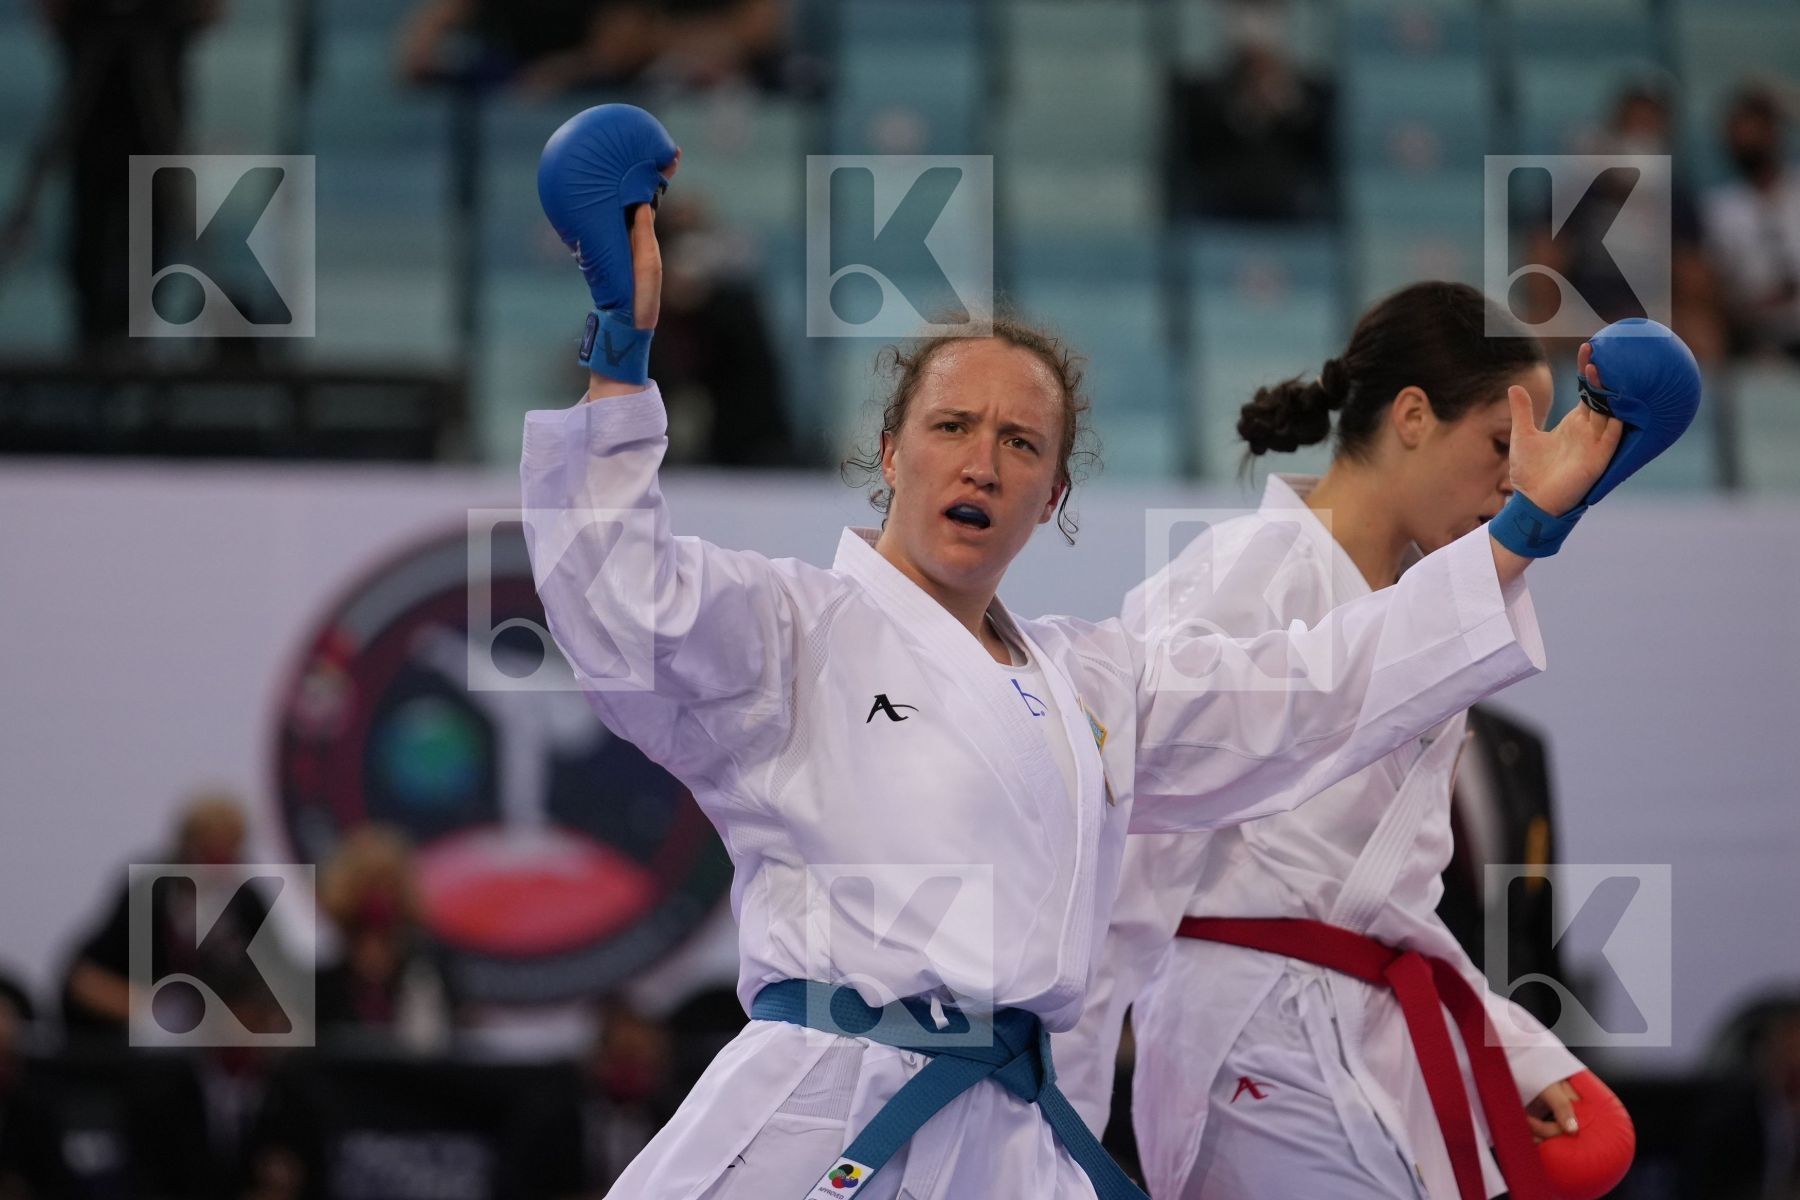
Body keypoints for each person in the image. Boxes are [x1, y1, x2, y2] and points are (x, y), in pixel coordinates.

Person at [525, 109, 1637, 1199]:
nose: (983, 463)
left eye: (1021, 444)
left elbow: (1320, 690)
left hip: (1012, 1135)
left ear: (1053, 495)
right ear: (890, 452)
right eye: (952, 427)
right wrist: (621, 356)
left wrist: (1521, 533)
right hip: (831, 1104)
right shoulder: (793, 630)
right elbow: (622, 601)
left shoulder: (1094, 684)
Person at [1054, 283, 1623, 1200]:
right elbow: (1126, 840)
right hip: (1245, 1029)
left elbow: (1387, 898)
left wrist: (1509, 1047)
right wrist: (1064, 1108)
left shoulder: (1407, 606)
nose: (1516, 481)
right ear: (1412, 417)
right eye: (1500, 445)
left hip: (1364, 1025)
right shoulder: (1242, 576)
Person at [1702, 85, 1800, 362]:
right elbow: (1717, 287)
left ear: (1774, 133)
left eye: (1755, 131)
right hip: (1758, 339)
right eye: (1738, 134)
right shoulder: (1719, 208)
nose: (1747, 140)